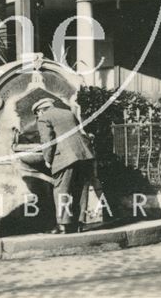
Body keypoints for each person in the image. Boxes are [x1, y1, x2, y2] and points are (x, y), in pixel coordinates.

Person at [32, 97, 95, 234]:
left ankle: (63, 225)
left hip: (65, 157)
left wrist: (48, 159)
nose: (38, 116)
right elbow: (80, 132)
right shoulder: (68, 113)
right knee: (80, 189)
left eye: (37, 114)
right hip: (84, 155)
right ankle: (78, 224)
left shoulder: (44, 118)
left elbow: (47, 141)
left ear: (40, 110)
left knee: (62, 189)